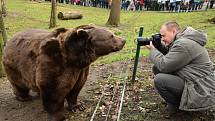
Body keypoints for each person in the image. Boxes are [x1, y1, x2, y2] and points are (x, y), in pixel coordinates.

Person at [145, 21, 215, 115]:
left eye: (164, 36)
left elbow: (164, 65)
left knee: (160, 79)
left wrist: (153, 50)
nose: (162, 39)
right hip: (194, 79)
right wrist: (159, 46)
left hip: (200, 87)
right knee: (156, 68)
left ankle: (179, 107)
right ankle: (179, 102)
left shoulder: (183, 44)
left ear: (173, 31)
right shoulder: (182, 40)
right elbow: (173, 57)